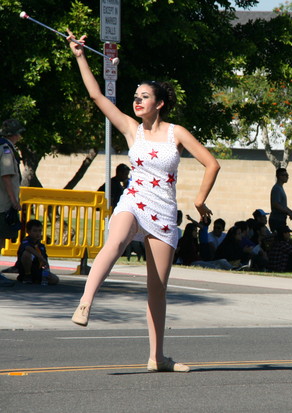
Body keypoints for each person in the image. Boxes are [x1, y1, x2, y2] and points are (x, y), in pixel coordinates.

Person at [66, 30, 220, 373]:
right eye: (135, 96)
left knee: (157, 289)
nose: (137, 101)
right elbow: (96, 95)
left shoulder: (176, 133)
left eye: (144, 97)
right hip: (133, 200)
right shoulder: (130, 128)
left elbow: (212, 163)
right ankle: (85, 303)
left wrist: (199, 200)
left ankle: (157, 357)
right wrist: (80, 56)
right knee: (116, 239)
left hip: (163, 212)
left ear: (159, 103)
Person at [0, 119, 23, 287]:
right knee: (0, 237)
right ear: (14, 134)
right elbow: (6, 176)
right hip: (3, 202)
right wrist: (14, 201)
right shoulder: (6, 149)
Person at [16, 219, 59, 285]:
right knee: (26, 254)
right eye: (35, 231)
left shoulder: (41, 246)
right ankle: (27, 276)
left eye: (39, 231)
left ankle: (36, 279)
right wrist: (40, 257)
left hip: (38, 269)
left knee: (55, 279)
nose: (38, 233)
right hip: (25, 269)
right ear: (28, 231)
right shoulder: (26, 241)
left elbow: (45, 259)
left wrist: (47, 270)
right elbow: (28, 248)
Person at [269, 167, 292, 232]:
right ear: (279, 176)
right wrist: (288, 213)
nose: (287, 177)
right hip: (276, 220)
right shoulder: (277, 188)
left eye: (287, 175)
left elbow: (283, 206)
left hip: (281, 219)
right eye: (285, 175)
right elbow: (276, 204)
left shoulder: (280, 188)